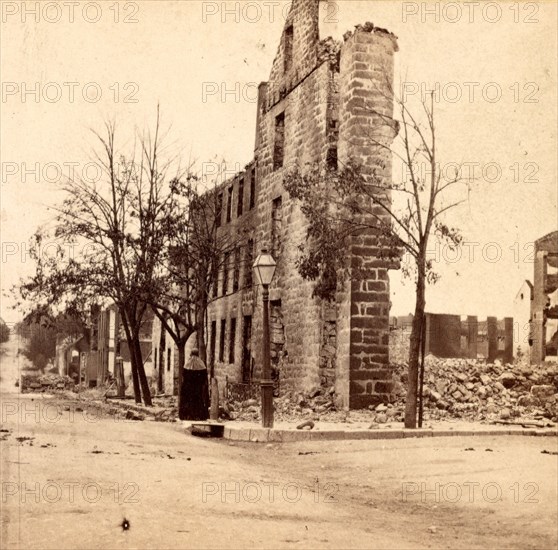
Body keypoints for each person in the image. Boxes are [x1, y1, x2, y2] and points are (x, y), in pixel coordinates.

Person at [179, 348, 209, 421]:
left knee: (188, 401)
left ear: (191, 354)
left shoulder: (187, 364)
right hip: (197, 388)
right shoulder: (201, 364)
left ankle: (187, 416)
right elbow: (204, 377)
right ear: (198, 354)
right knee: (197, 401)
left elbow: (184, 376)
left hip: (188, 387)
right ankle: (198, 416)